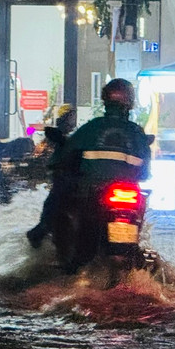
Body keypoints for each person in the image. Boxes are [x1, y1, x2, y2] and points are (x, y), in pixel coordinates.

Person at [27, 80, 152, 247]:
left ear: (105, 100)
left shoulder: (91, 128)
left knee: (59, 193)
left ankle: (42, 229)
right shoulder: (137, 133)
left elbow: (64, 156)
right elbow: (145, 173)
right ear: (130, 102)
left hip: (92, 193)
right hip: (127, 194)